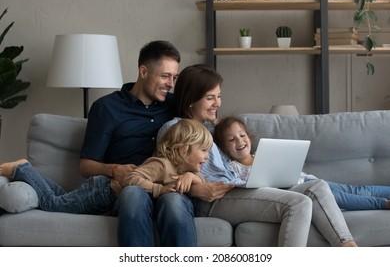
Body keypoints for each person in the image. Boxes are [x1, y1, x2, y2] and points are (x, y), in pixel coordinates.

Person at [157, 63, 358, 247]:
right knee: (299, 203)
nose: (217, 103)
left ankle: (348, 247)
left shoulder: (210, 130)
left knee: (317, 186)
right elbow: (164, 171)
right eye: (210, 98)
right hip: (213, 201)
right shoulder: (174, 128)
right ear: (191, 100)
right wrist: (195, 187)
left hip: (235, 188)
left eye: (219, 96)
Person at [79, 40, 197, 247]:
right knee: (134, 195)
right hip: (130, 187)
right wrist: (114, 170)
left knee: (174, 202)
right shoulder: (106, 108)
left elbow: (201, 132)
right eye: (165, 76)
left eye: (174, 77)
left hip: (169, 185)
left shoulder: (174, 105)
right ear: (143, 72)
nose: (171, 84)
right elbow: (85, 165)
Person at [0, 119, 211, 216]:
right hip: (102, 193)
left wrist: (193, 177)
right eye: (203, 151)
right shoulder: (161, 164)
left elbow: (201, 184)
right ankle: (23, 170)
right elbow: (131, 179)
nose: (207, 157)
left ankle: (29, 170)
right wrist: (158, 189)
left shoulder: (184, 171)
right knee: (53, 204)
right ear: (183, 151)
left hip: (102, 192)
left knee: (61, 196)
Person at [213, 116, 390, 211]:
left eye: (242, 135)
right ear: (224, 147)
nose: (239, 141)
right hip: (301, 192)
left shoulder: (264, 152)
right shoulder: (233, 168)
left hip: (308, 181)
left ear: (249, 137)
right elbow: (238, 183)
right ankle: (383, 204)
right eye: (231, 139)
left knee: (354, 190)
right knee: (340, 198)